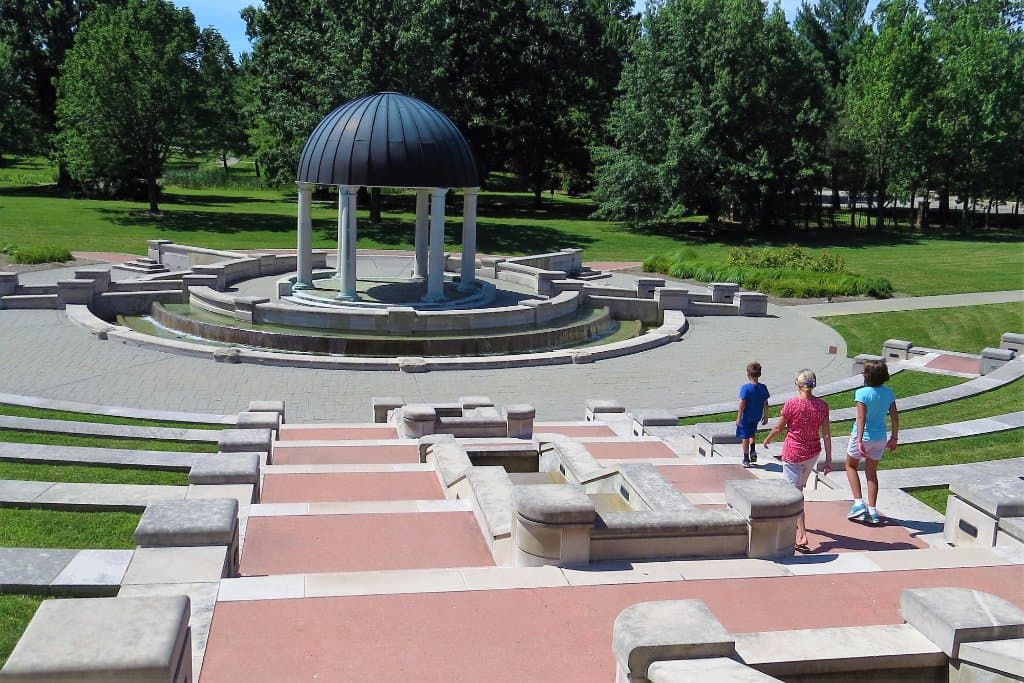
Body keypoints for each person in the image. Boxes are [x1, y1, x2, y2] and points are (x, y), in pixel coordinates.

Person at [762, 369, 831, 552]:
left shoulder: (792, 404)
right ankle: (798, 528)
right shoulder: (823, 406)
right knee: (798, 490)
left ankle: (800, 534)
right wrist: (829, 458)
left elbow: (778, 427)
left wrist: (768, 439)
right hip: (812, 453)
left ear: (797, 384)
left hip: (793, 453)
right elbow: (826, 434)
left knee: (794, 496)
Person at [846, 360, 899, 525]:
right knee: (871, 473)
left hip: (864, 437)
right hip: (880, 437)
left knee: (850, 466)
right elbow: (895, 417)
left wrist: (860, 440)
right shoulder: (889, 393)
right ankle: (873, 511)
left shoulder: (861, 393)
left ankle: (858, 503)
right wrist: (894, 437)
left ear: (866, 376)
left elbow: (861, 418)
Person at [735, 361, 770, 467]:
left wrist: (738, 417)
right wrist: (766, 415)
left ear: (748, 374)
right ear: (759, 374)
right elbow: (766, 403)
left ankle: (746, 458)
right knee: (752, 432)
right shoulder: (763, 387)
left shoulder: (745, 388)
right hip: (757, 416)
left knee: (745, 437)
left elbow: (742, 403)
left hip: (746, 417)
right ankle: (753, 451)